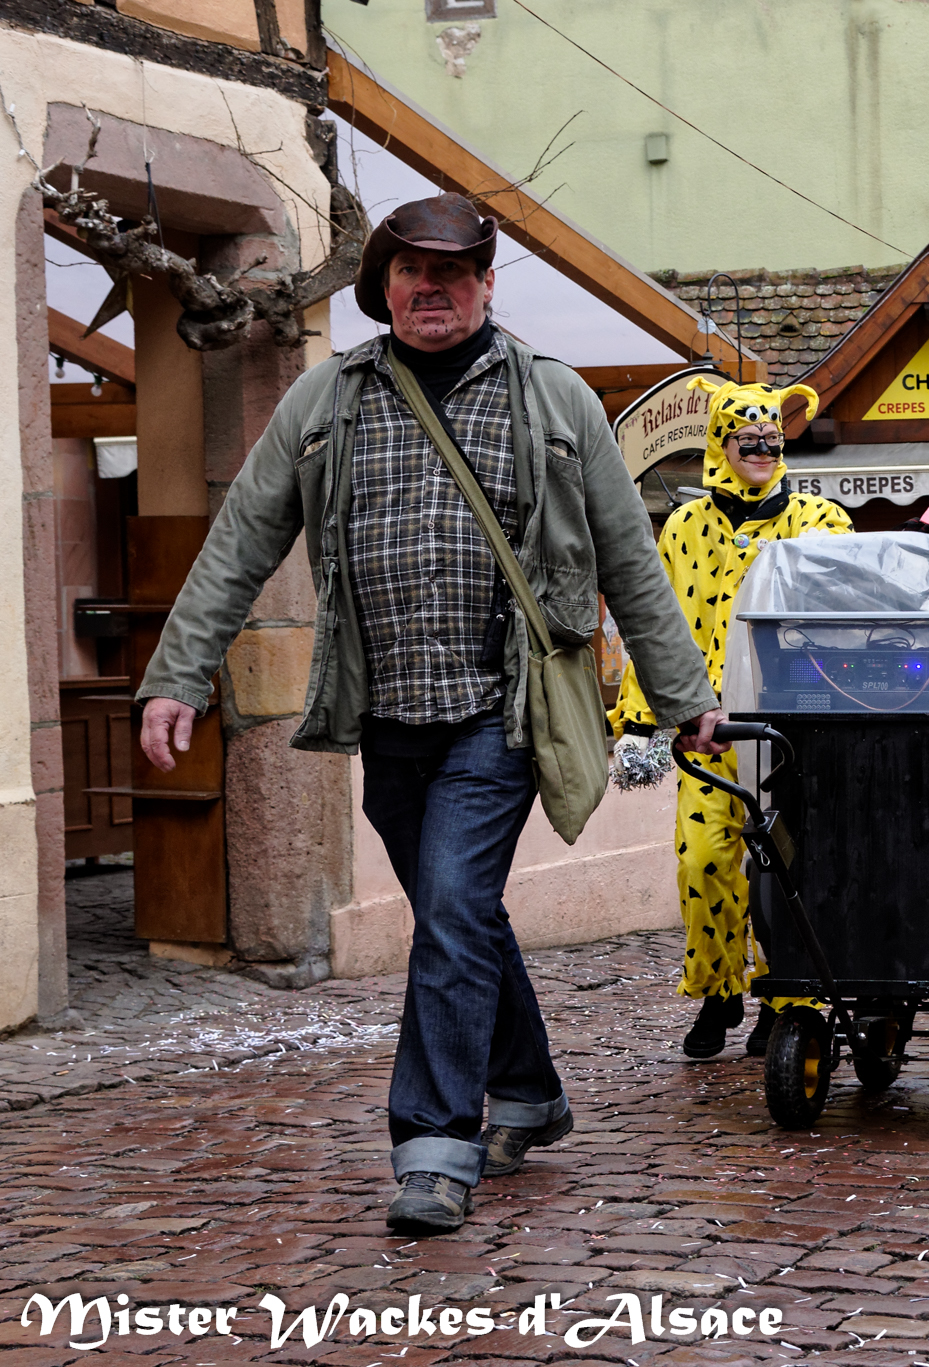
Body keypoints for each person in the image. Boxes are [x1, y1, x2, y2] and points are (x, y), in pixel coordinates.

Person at [132, 195, 725, 1236]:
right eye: (412, 273)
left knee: (448, 909)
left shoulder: (555, 400)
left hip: (503, 710)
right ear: (386, 289)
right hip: (383, 712)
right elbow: (240, 540)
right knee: (466, 913)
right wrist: (177, 673)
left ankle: (434, 1142)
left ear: (488, 286)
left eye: (453, 275)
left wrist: (682, 699)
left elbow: (628, 552)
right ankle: (532, 1090)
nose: (431, 290)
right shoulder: (326, 398)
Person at [609, 377, 852, 1056]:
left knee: (789, 869)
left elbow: (854, 612)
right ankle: (718, 988)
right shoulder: (685, 528)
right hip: (710, 734)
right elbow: (659, 627)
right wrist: (640, 724)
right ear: (721, 443)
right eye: (748, 438)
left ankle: (791, 1000)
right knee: (704, 862)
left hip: (794, 734)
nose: (762, 448)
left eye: (772, 437)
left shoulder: (820, 523)